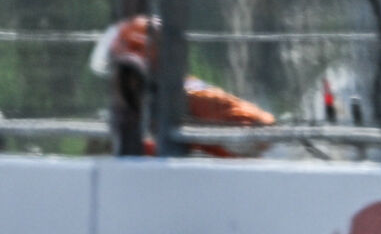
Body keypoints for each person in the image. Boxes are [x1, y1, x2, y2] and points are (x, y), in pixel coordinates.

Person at [90, 17, 276, 158]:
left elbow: (266, 137)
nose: (120, 89)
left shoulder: (195, 98)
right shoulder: (147, 108)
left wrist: (192, 133)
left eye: (125, 76)